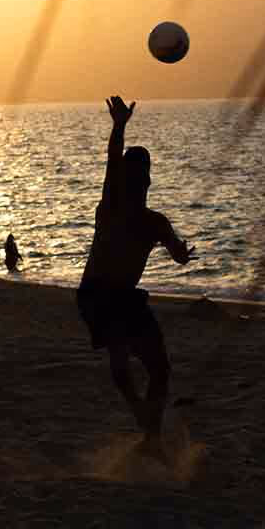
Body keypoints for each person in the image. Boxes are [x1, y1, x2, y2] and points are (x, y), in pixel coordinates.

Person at [77, 95, 195, 451]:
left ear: (148, 179)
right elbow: (113, 160)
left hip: (123, 299)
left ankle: (151, 434)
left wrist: (181, 253)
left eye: (141, 174)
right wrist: (118, 126)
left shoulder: (155, 222)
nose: (139, 180)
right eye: (135, 174)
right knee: (119, 355)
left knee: (159, 368)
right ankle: (143, 418)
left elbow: (178, 255)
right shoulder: (110, 205)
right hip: (98, 294)